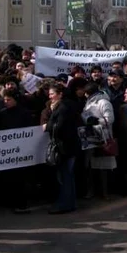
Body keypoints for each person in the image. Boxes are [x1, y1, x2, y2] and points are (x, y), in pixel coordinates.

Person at [45, 85, 81, 214]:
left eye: (52, 94)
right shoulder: (68, 106)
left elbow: (57, 126)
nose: (50, 97)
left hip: (65, 148)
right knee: (68, 177)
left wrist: (48, 125)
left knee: (65, 177)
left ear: (60, 94)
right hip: (69, 147)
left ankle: (65, 204)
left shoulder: (62, 108)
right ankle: (70, 203)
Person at [81, 82, 116, 199]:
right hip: (90, 138)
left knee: (103, 167)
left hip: (103, 139)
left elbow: (110, 119)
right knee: (90, 166)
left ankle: (105, 192)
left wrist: (97, 121)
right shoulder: (88, 103)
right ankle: (91, 191)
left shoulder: (104, 102)